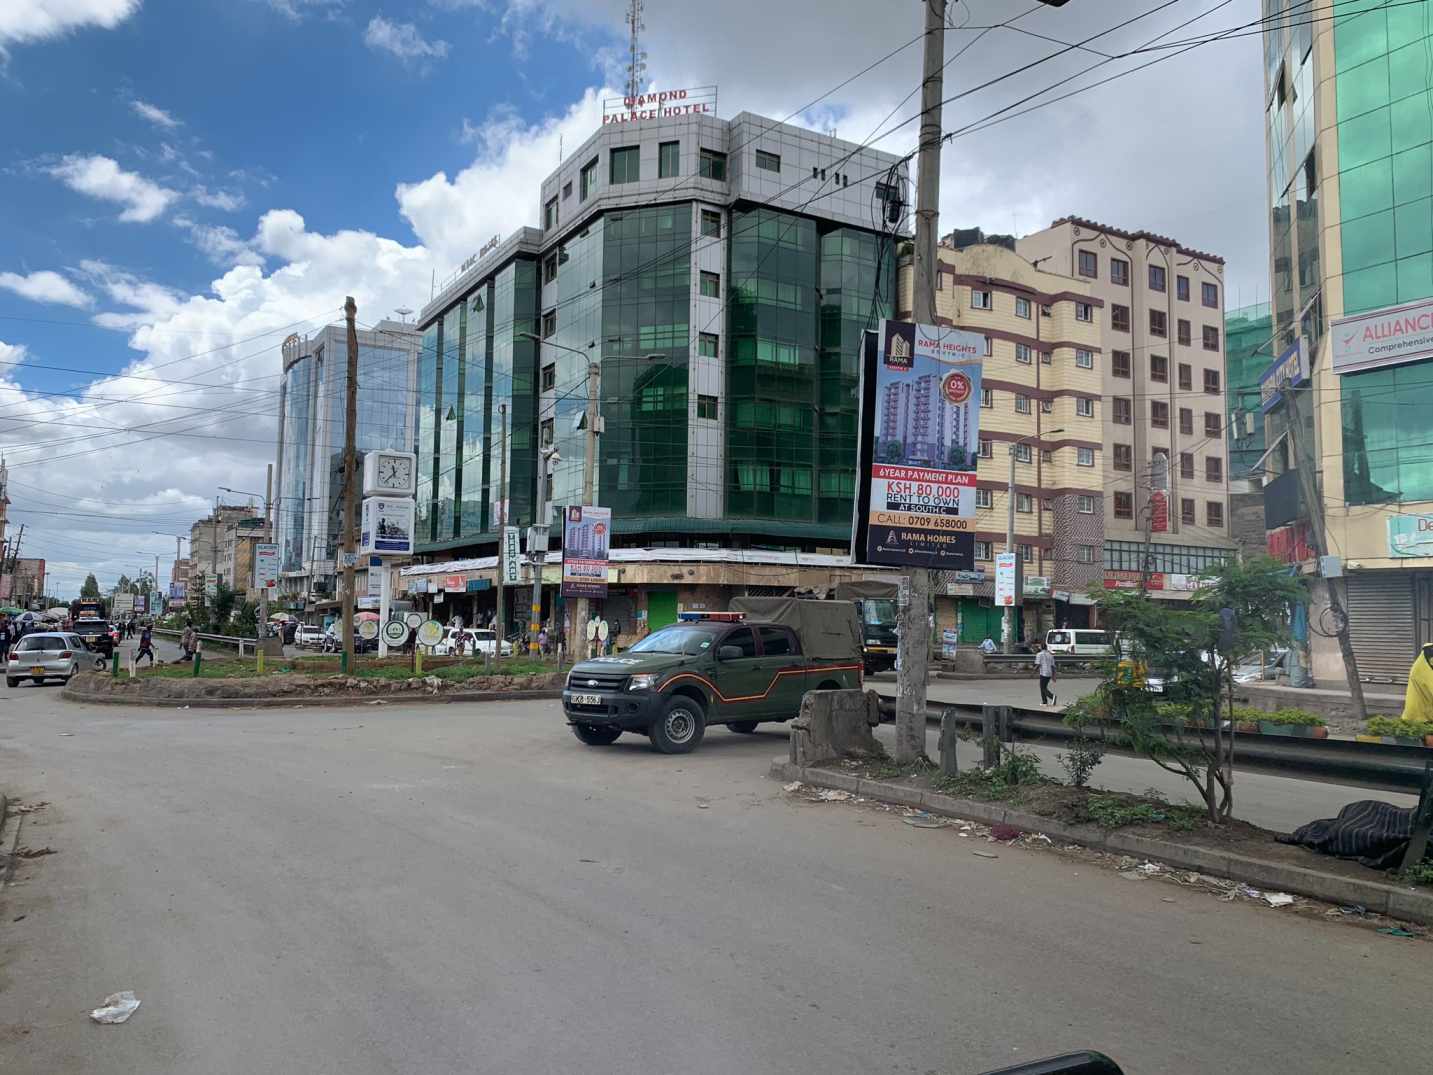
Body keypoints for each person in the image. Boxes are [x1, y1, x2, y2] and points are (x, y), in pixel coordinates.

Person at [1034, 642, 1057, 706]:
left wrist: (1033, 672)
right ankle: (1044, 702)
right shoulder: (1050, 655)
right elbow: (1053, 666)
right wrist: (1054, 675)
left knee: (1042, 688)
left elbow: (1038, 665)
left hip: (1043, 673)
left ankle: (1052, 697)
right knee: (1043, 687)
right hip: (1049, 673)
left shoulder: (1039, 654)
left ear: (1041, 647)